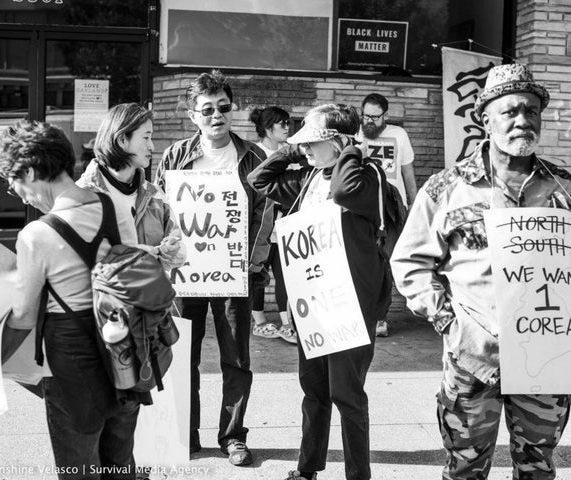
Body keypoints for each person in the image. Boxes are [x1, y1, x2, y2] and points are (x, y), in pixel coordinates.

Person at [390, 64, 571, 480]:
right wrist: (448, 322)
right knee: (465, 469)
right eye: (509, 111)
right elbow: (411, 263)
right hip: (474, 358)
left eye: (531, 110)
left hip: (547, 358)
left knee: (538, 467)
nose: (523, 120)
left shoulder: (563, 188)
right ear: (485, 118)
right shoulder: (447, 186)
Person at [248, 103, 393, 480]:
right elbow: (259, 180)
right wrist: (293, 150)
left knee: (347, 396)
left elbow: (345, 191)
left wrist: (351, 150)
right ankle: (307, 467)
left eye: (314, 142)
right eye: (305, 145)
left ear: (340, 142)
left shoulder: (366, 176)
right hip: (314, 302)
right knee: (313, 392)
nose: (307, 150)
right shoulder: (308, 178)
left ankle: (357, 475)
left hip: (349, 305)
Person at [0, 120, 143, 479]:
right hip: (124, 354)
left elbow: (24, 317)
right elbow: (133, 274)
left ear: (30, 171)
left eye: (15, 184)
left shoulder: (36, 235)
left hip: (72, 365)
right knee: (120, 462)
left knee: (79, 469)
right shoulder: (113, 207)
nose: (20, 194)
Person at [155, 70, 272, 465]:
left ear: (232, 107)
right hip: (184, 277)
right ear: (192, 114)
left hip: (234, 277)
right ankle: (184, 435)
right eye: (207, 110)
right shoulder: (174, 156)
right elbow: (158, 211)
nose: (217, 115)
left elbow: (265, 216)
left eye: (223, 107)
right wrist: (163, 256)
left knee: (236, 360)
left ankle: (232, 437)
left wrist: (252, 265)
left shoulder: (254, 157)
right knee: (182, 357)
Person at [77, 103, 186, 271]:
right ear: (122, 140)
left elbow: (178, 249)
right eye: (146, 137)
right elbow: (76, 258)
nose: (152, 146)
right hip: (103, 296)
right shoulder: (83, 194)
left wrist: (171, 250)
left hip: (150, 295)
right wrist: (140, 254)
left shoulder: (154, 194)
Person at [355, 93, 417, 337]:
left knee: (387, 262)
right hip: (363, 207)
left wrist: (414, 205)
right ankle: (363, 315)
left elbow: (408, 172)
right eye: (366, 115)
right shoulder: (356, 134)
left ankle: (381, 317)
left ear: (386, 116)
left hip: (393, 208)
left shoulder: (399, 135)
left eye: (375, 116)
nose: (369, 121)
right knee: (363, 263)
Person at [248, 106, 297, 344]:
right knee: (258, 272)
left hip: (284, 225)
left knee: (285, 274)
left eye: (288, 122)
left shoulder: (288, 153)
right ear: (268, 128)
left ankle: (287, 323)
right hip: (260, 226)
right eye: (282, 123)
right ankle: (259, 321)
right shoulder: (254, 154)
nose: (287, 127)